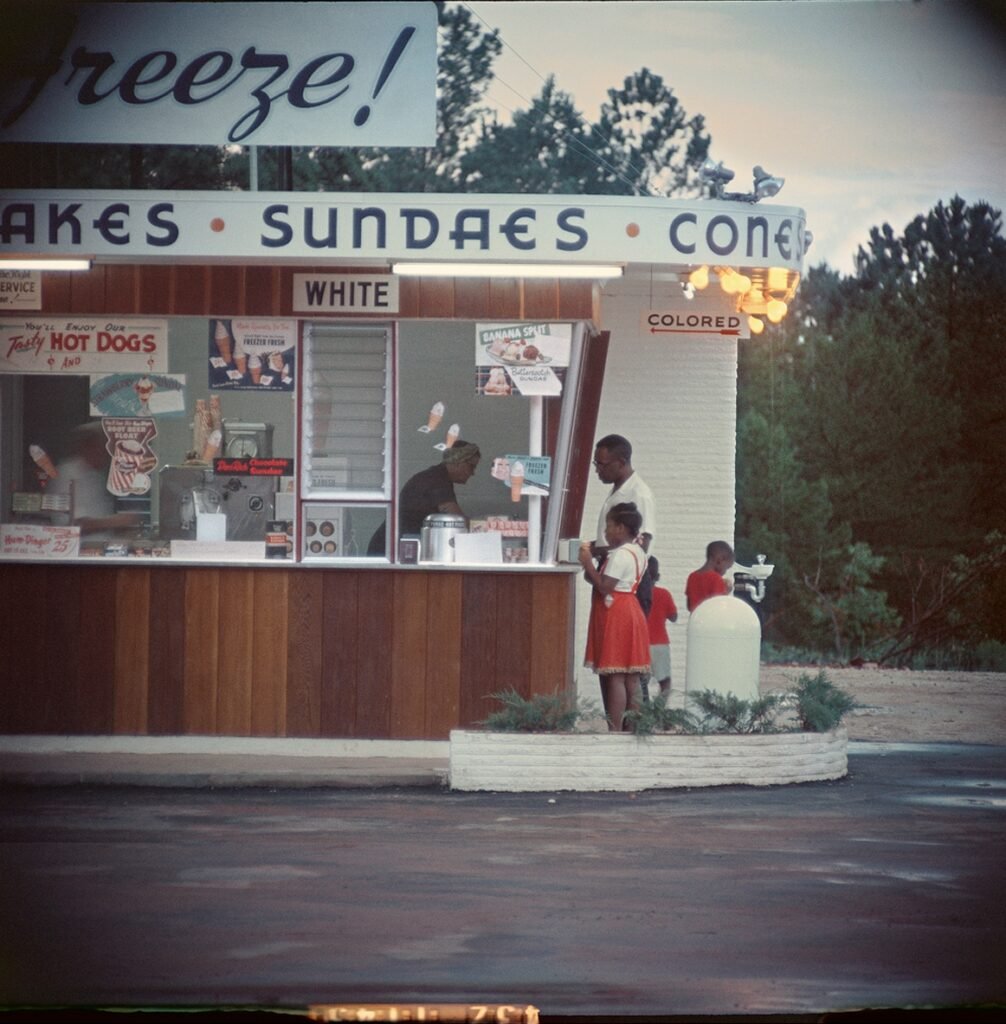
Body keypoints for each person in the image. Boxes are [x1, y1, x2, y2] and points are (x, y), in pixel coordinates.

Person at [579, 502, 651, 732]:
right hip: (631, 608)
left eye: (609, 526)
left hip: (617, 612)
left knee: (617, 675)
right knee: (631, 676)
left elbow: (604, 586)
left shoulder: (620, 555)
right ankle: (635, 726)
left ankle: (616, 728)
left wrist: (587, 562)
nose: (606, 532)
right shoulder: (638, 552)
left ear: (620, 528)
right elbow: (602, 581)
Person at [367, 441, 481, 554]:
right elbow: (456, 519)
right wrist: (483, 529)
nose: (473, 473)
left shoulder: (437, 476)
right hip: (389, 551)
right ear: (458, 461)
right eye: (471, 467)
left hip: (396, 545)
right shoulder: (437, 479)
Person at [590, 433, 657, 615]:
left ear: (620, 462)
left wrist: (594, 552)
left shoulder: (638, 494)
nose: (597, 470)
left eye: (601, 464)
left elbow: (641, 544)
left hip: (626, 585)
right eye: (596, 464)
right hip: (610, 575)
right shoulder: (617, 490)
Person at [48, 422, 143, 539]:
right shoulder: (66, 474)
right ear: (89, 446)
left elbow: (99, 519)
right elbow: (75, 525)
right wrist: (118, 521)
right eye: (103, 447)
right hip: (76, 553)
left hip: (99, 551)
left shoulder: (96, 476)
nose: (108, 453)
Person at [643, 556, 678, 701]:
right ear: (658, 576)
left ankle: (643, 711)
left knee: (640, 682)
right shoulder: (664, 594)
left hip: (641, 644)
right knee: (664, 681)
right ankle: (660, 713)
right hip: (660, 643)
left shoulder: (635, 595)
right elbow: (674, 616)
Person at [686, 540, 734, 612]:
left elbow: (689, 606)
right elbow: (718, 605)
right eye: (726, 567)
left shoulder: (692, 576)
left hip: (695, 620)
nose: (725, 572)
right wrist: (726, 592)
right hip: (711, 620)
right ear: (719, 560)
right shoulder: (716, 579)